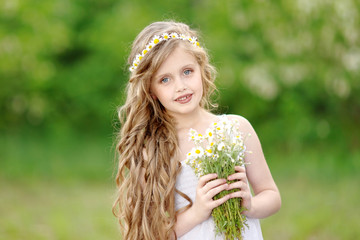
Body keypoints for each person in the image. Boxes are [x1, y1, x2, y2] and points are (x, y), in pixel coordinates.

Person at [113, 21, 281, 240]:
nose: (180, 86)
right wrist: (198, 212)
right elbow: (150, 234)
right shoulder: (152, 149)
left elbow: (272, 196)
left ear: (202, 69)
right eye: (165, 79)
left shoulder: (237, 129)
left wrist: (248, 205)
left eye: (187, 71)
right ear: (151, 90)